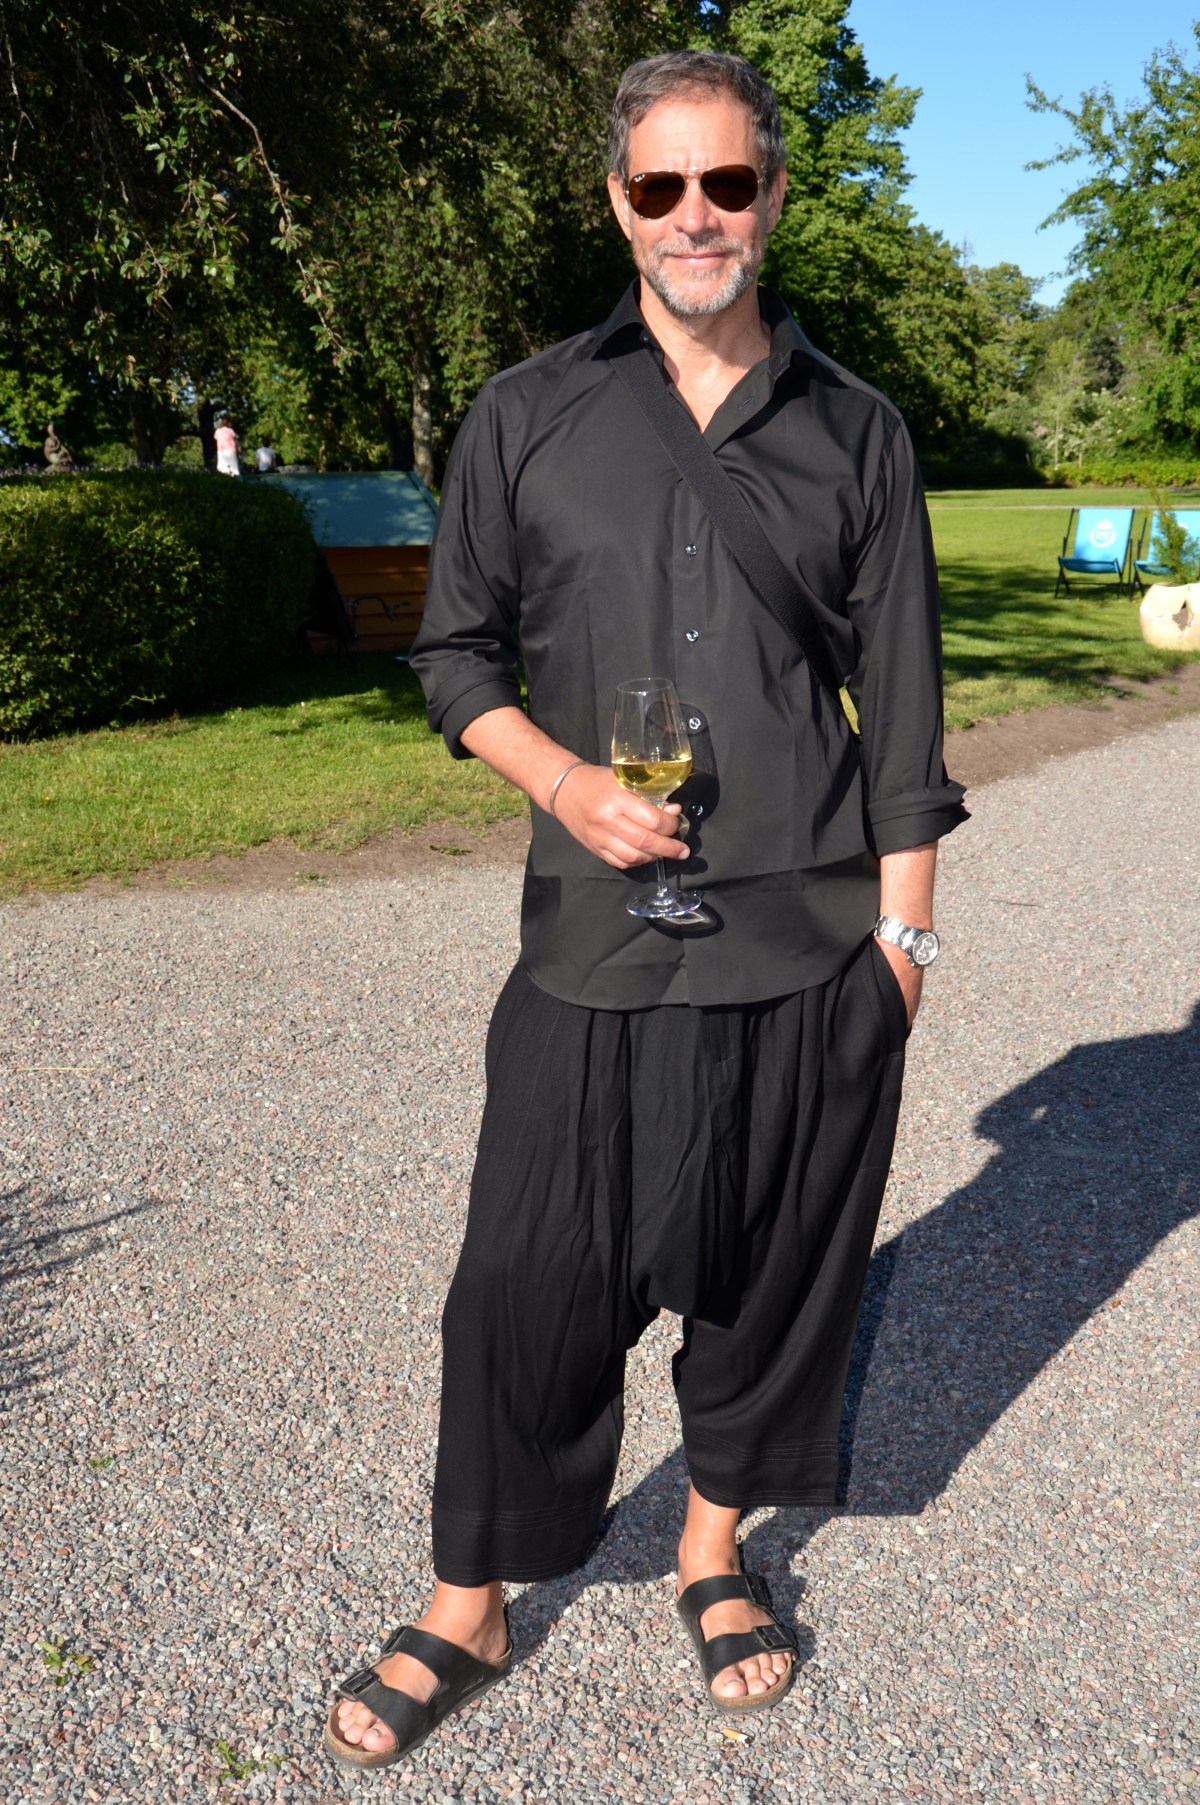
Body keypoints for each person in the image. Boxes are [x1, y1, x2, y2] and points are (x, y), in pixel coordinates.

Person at [325, 48, 967, 1772]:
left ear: (773, 197)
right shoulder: (527, 412)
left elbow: (906, 715)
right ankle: (470, 1595)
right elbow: (455, 654)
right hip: (589, 941)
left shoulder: (858, 430)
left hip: (809, 947)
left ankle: (710, 1548)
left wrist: (903, 950)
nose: (697, 215)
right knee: (523, 1280)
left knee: (771, 1277)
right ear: (618, 201)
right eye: (661, 185)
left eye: (727, 182)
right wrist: (561, 783)